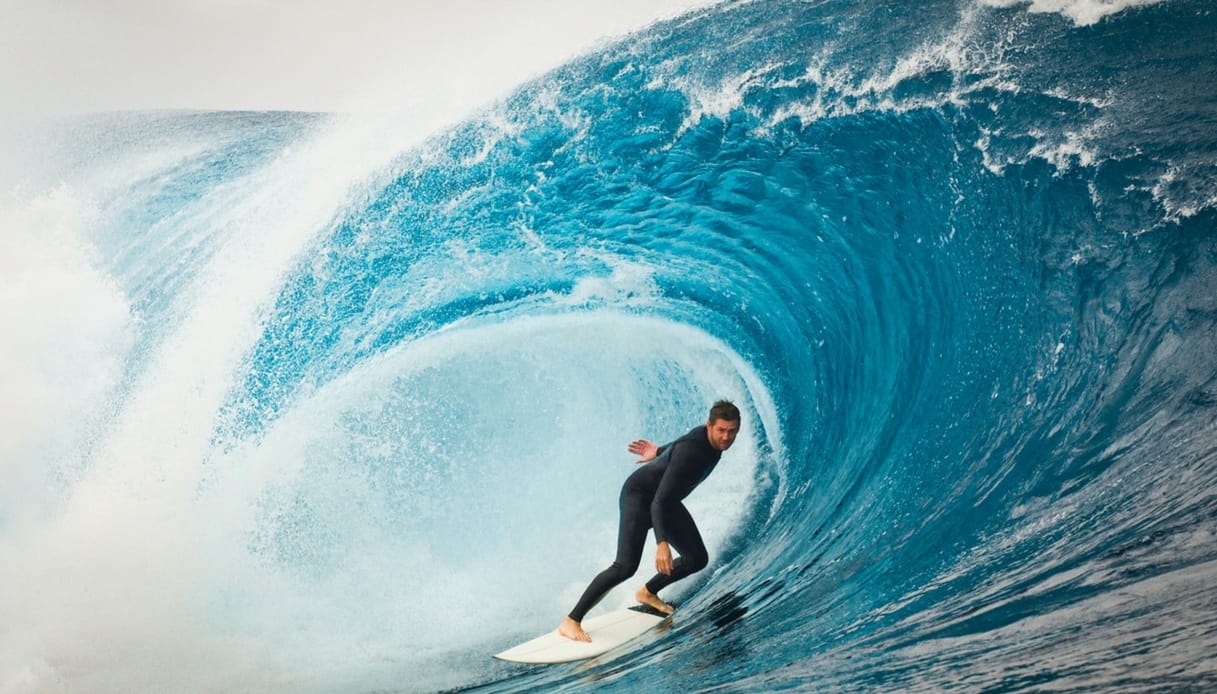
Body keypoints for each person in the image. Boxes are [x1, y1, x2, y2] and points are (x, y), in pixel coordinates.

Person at [558, 400, 742, 642]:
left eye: (732, 431)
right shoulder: (692, 451)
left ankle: (647, 592)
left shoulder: (705, 440)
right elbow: (658, 501)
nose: (726, 437)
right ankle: (571, 621)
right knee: (625, 566)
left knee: (696, 558)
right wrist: (661, 543)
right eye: (721, 430)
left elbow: (677, 446)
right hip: (640, 496)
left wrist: (657, 452)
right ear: (709, 426)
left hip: (666, 500)